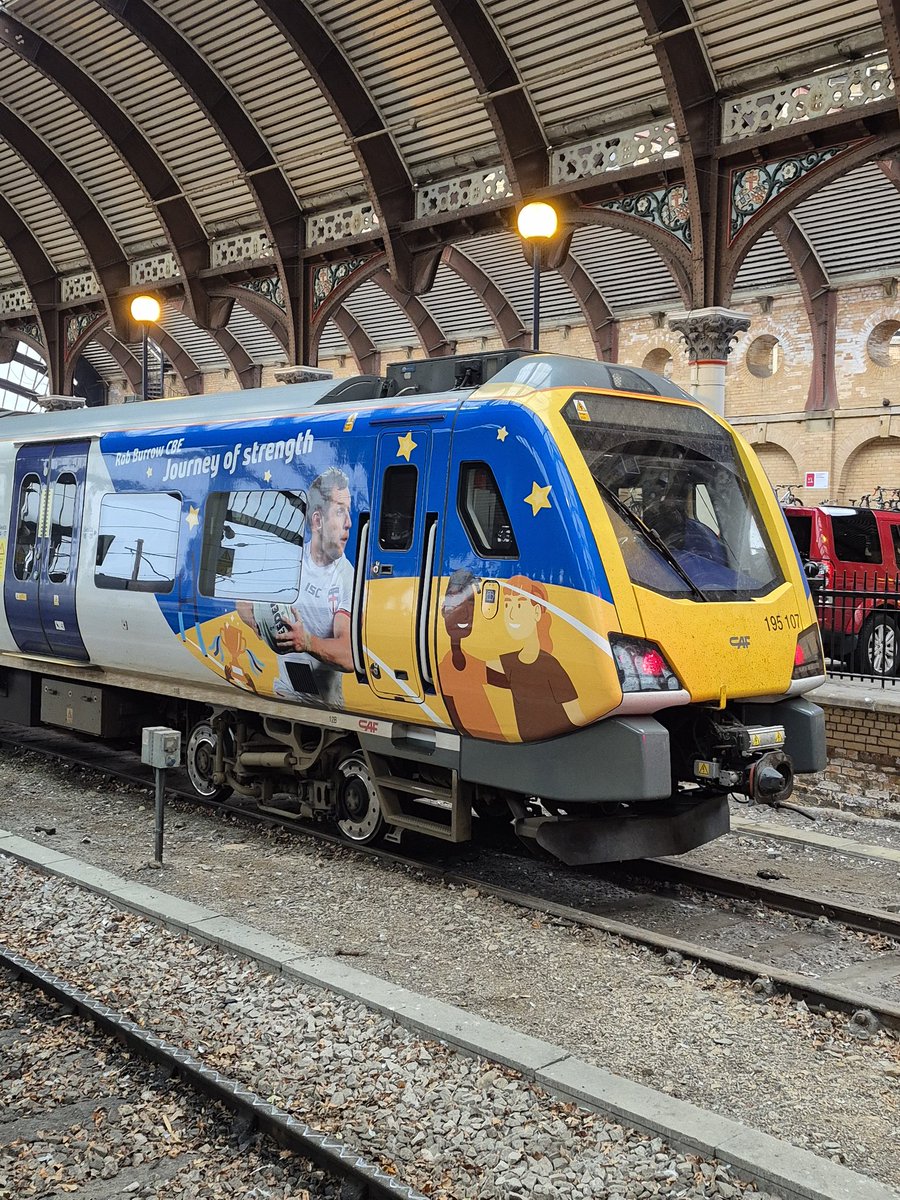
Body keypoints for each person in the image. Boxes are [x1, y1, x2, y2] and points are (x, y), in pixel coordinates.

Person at [237, 467, 354, 706]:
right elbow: (243, 601)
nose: (350, 523)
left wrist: (307, 642)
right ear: (318, 520)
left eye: (348, 512)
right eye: (341, 512)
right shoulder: (287, 560)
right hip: (282, 694)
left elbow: (349, 654)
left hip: (328, 706)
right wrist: (260, 622)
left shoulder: (346, 577)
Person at [486, 576, 585, 742]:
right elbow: (475, 671)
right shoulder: (508, 662)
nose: (510, 614)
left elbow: (575, 716)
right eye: (507, 604)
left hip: (558, 743)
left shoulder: (551, 666)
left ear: (537, 612)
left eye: (519, 604)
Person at [438, 569, 502, 739]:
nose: (466, 613)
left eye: (471, 602)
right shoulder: (444, 668)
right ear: (443, 609)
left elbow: (512, 680)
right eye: (456, 601)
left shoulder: (471, 662)